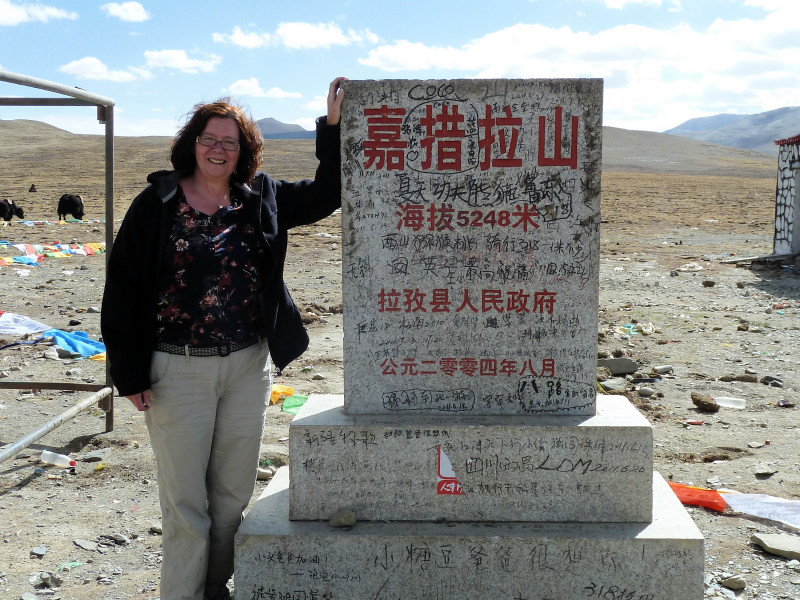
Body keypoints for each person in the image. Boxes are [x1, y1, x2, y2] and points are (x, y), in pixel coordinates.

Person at [100, 76, 346, 600]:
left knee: (233, 498)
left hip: (246, 367)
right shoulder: (156, 202)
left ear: (244, 152)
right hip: (176, 369)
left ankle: (215, 587)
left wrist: (331, 126)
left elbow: (329, 194)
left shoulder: (262, 197)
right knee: (186, 504)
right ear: (192, 144)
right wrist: (128, 372)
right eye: (209, 139)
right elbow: (121, 287)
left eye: (230, 142)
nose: (218, 149)